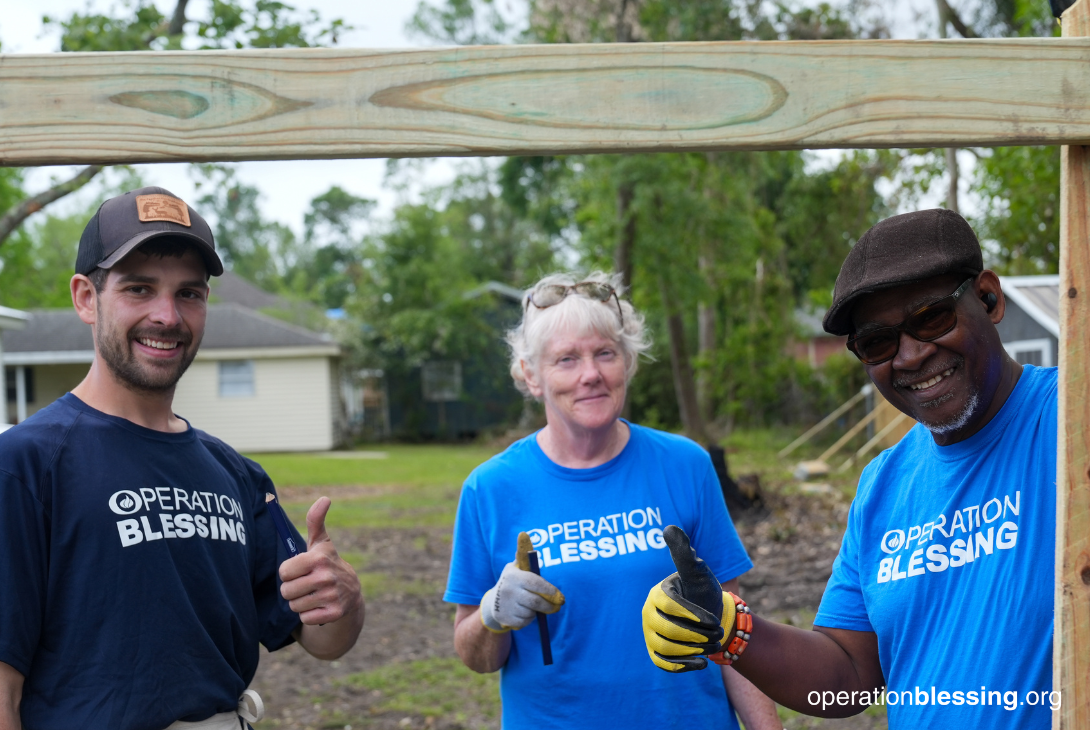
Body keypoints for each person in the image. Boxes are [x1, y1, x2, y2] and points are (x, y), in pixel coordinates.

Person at [642, 209, 1058, 727]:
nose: (908, 355)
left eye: (932, 317)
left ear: (989, 299)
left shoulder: (1070, 421)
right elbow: (848, 681)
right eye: (878, 342)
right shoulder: (884, 484)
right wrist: (731, 629)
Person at [0, 187, 365, 730]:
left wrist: (343, 599)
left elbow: (322, 639)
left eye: (189, 293)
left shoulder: (234, 474)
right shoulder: (25, 465)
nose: (167, 316)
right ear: (86, 297)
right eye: (139, 288)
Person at [444, 272, 781, 730]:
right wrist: (492, 614)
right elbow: (474, 655)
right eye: (566, 359)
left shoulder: (685, 464)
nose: (591, 375)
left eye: (605, 353)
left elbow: (735, 629)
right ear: (531, 375)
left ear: (627, 362)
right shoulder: (490, 488)